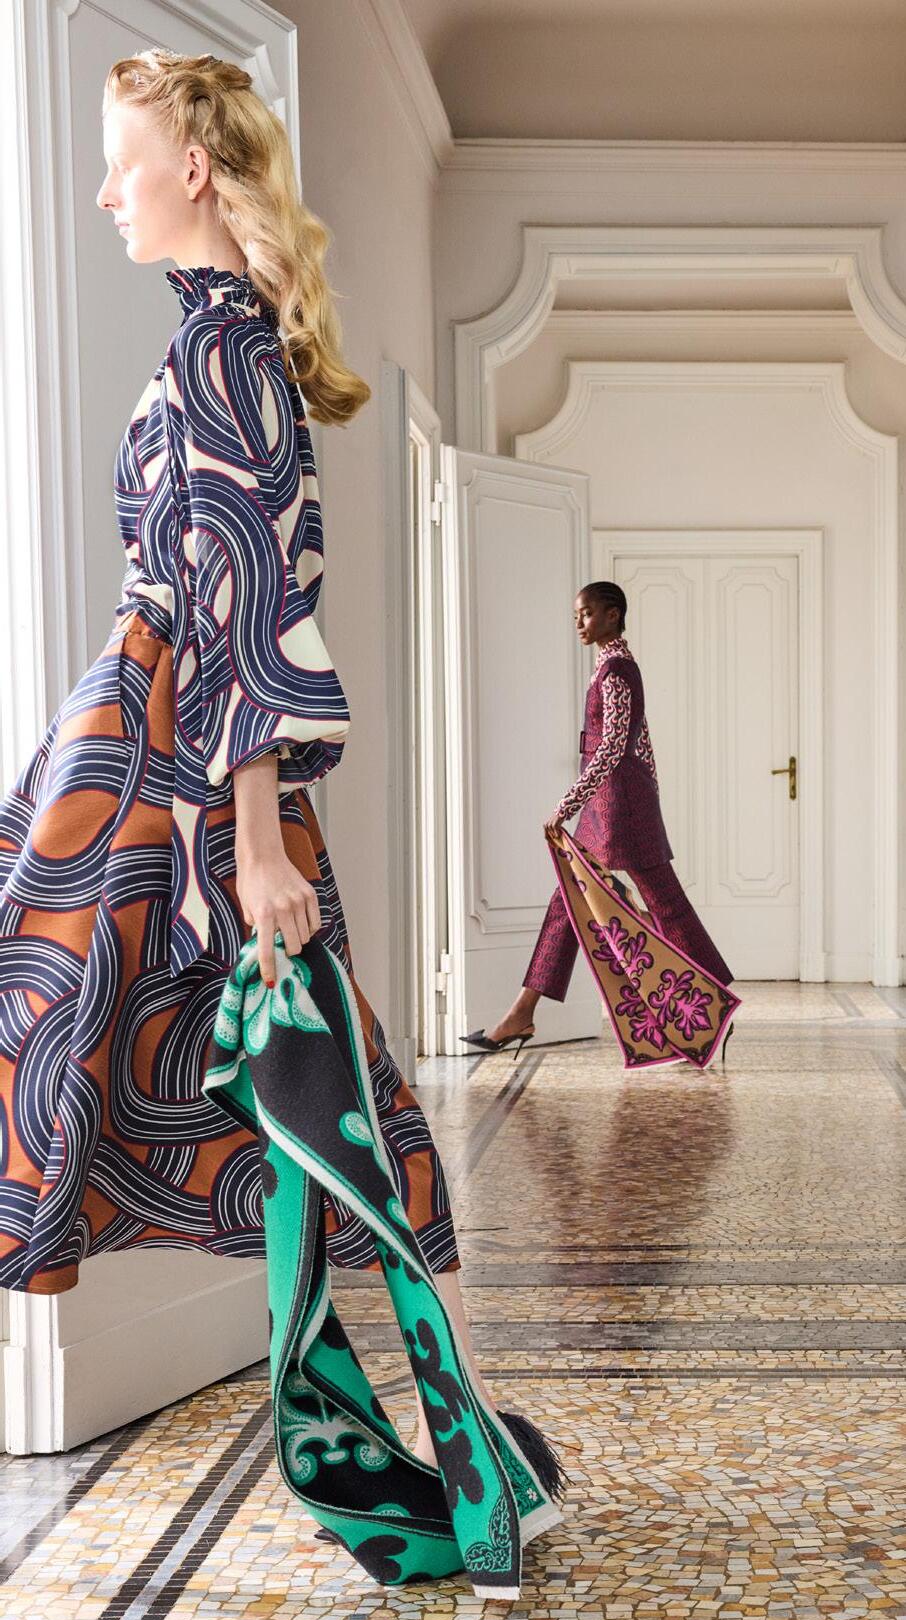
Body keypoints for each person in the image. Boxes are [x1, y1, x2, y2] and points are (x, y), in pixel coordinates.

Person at [0, 46, 524, 1477]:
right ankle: (466, 1439)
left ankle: (469, 1440)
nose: (104, 193)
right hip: (151, 748)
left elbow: (248, 590)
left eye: (120, 164)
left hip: (180, 762)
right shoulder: (217, 343)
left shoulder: (223, 351)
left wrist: (253, 831)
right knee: (255, 1072)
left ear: (189, 167)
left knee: (318, 1078)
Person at [464, 581, 733, 1052]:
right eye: (576, 615)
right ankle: (522, 1013)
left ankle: (717, 1005)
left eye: (586, 613)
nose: (579, 623)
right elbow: (641, 742)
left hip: (619, 804)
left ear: (613, 614)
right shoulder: (611, 666)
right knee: (569, 899)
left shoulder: (618, 671)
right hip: (611, 802)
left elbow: (613, 748)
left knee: (664, 903)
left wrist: (566, 805)